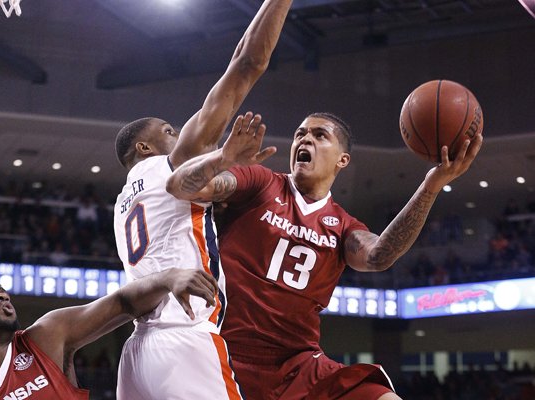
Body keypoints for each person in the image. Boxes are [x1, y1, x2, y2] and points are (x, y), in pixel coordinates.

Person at [167, 112, 483, 399]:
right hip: (228, 353)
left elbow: (379, 256)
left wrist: (431, 186)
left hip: (301, 365)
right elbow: (184, 187)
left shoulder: (344, 226)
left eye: (320, 135)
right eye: (300, 133)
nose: (305, 139)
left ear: (342, 160)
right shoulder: (261, 182)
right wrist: (224, 157)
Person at [112, 1, 293, 398]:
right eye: (169, 130)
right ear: (145, 146)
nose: (179, 135)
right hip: (184, 333)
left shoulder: (124, 200)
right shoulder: (167, 165)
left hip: (139, 348)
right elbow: (245, 65)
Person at [0, 269, 218, 399]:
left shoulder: (45, 337)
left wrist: (168, 278)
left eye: (2, 291)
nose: (2, 297)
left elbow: (121, 303)